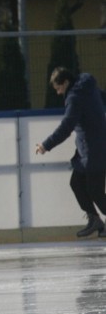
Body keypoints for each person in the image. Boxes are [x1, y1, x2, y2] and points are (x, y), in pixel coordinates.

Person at [35, 67, 106, 238]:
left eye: (59, 88)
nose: (59, 93)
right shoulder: (88, 85)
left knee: (95, 191)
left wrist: (46, 145)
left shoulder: (74, 98)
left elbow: (67, 126)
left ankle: (95, 220)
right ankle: (94, 219)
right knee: (77, 183)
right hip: (90, 149)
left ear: (65, 83)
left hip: (93, 150)